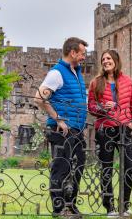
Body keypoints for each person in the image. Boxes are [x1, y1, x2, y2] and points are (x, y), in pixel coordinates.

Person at [34, 37, 88, 217]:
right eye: (82, 54)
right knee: (61, 169)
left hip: (76, 130)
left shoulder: (77, 73)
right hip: (61, 131)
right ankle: (59, 210)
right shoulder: (57, 73)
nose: (84, 57)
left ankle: (71, 206)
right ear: (72, 52)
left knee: (78, 167)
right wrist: (58, 119)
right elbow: (38, 98)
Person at [88, 49, 132, 216]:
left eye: (108, 58)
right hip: (105, 129)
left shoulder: (128, 81)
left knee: (130, 167)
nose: (105, 61)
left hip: (124, 129)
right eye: (103, 59)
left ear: (116, 61)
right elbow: (91, 106)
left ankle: (124, 206)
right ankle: (109, 207)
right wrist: (103, 108)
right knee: (106, 169)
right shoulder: (96, 82)